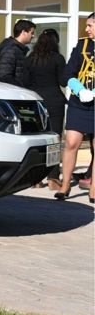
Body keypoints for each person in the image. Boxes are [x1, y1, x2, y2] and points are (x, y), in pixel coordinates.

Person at [55, 13, 95, 202]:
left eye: (90, 25)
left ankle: (93, 189)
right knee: (71, 143)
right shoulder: (82, 45)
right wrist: (79, 89)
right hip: (79, 103)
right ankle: (65, 186)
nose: (86, 29)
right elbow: (67, 74)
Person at [27, 29, 67, 188]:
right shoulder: (58, 58)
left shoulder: (31, 59)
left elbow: (25, 80)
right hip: (55, 101)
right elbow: (63, 81)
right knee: (54, 139)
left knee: (37, 139)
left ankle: (35, 178)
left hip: (36, 102)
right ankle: (53, 177)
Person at [0, 19, 35, 87]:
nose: (33, 36)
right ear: (23, 32)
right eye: (31, 33)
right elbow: (5, 77)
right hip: (14, 94)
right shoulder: (10, 49)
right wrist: (20, 88)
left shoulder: (19, 50)